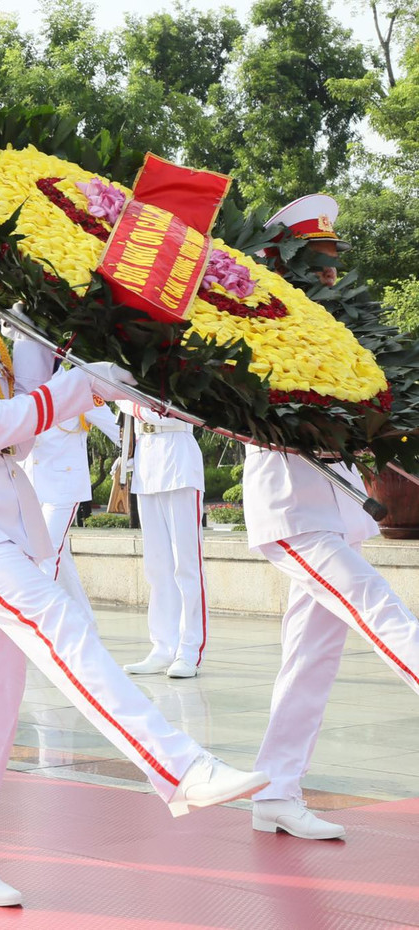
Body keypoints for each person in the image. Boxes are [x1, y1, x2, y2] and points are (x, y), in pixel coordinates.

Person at [0, 164, 267, 907]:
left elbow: (19, 434)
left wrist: (66, 371)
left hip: (7, 514)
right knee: (61, 627)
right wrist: (73, 387)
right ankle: (180, 768)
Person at [244, 194, 419, 841]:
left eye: (331, 259)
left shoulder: (333, 328)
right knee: (380, 608)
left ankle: (275, 791)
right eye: (314, 260)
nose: (328, 271)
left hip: (334, 510)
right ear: (282, 263)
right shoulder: (258, 327)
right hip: (292, 509)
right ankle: (276, 790)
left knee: (310, 659)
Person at [118, 403, 208, 678]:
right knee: (157, 568)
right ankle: (162, 647)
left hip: (179, 458)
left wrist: (135, 405)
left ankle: (189, 650)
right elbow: (121, 399)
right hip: (146, 460)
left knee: (186, 566)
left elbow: (178, 410)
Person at [20, 400, 119, 616]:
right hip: (29, 485)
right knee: (60, 561)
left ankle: (38, 623)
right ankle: (84, 621)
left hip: (63, 487)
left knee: (44, 556)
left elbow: (120, 432)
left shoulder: (78, 390)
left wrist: (130, 454)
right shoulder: (23, 386)